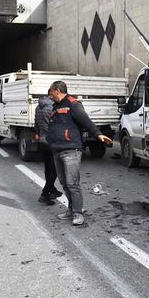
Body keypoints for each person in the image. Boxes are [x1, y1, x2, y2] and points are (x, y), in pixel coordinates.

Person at [47, 81, 111, 225]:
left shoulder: (73, 104)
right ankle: (70, 210)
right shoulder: (56, 106)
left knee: (72, 183)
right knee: (64, 183)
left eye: (50, 92)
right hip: (57, 150)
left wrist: (98, 134)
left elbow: (86, 121)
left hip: (71, 150)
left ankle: (78, 213)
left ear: (56, 90)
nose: (49, 95)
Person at [34, 94, 62, 205]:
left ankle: (52, 190)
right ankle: (45, 194)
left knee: (48, 168)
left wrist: (39, 133)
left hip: (42, 140)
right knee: (55, 169)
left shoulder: (38, 107)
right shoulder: (53, 107)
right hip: (52, 141)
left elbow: (36, 124)